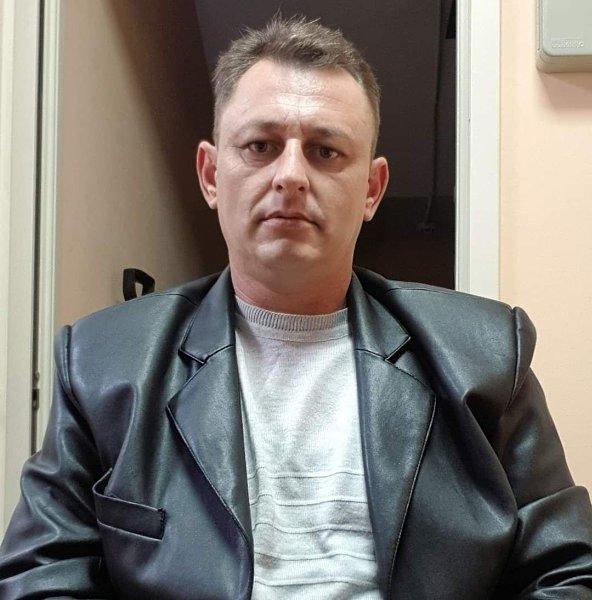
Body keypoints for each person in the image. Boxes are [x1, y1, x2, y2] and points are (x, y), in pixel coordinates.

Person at [1, 15, 592, 600]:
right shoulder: (101, 362)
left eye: (325, 151)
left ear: (371, 190)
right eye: (260, 146)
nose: (290, 176)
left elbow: (569, 573)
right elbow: (40, 579)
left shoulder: (486, 355)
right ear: (211, 174)